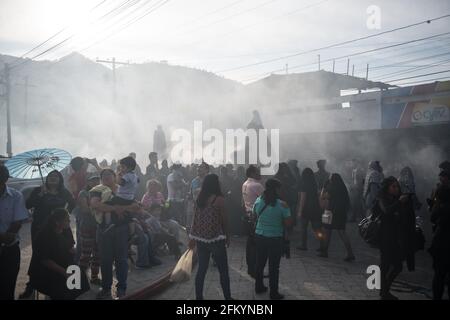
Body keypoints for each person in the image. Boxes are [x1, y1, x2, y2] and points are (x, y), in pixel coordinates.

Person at [19, 169, 75, 299]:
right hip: (40, 229)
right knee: (39, 256)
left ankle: (60, 284)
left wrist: (65, 214)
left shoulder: (63, 192)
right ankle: (32, 285)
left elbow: (72, 203)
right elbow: (27, 205)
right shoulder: (39, 190)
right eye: (50, 176)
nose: (53, 178)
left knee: (61, 254)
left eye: (56, 176)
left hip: (60, 228)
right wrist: (40, 194)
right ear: (47, 178)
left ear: (60, 179)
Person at [90, 169, 141, 299]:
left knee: (121, 260)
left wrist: (121, 208)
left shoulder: (124, 190)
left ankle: (122, 288)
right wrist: (115, 208)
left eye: (109, 175)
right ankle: (106, 288)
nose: (106, 177)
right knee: (105, 261)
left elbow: (136, 207)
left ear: (115, 177)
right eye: (104, 175)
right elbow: (96, 205)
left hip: (121, 229)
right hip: (104, 230)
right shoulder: (97, 190)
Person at [188, 174, 233, 300]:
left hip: (201, 239)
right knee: (223, 270)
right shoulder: (219, 199)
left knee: (201, 269)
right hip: (216, 238)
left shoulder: (199, 198)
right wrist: (228, 236)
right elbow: (225, 220)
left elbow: (194, 219)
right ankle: (228, 298)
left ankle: (198, 297)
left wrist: (192, 237)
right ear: (215, 184)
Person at [29, 208, 89, 300]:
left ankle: (72, 296)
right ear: (57, 222)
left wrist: (75, 250)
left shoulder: (66, 230)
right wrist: (64, 272)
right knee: (62, 284)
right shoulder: (45, 235)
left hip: (62, 263)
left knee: (79, 275)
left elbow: (70, 246)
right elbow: (45, 260)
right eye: (67, 220)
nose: (69, 221)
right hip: (46, 269)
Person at [372, 177, 415, 300]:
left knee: (398, 266)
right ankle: (384, 292)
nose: (396, 189)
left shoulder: (398, 198)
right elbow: (387, 211)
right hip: (384, 236)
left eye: (397, 186)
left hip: (396, 237)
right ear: (387, 188)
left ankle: (385, 290)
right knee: (385, 265)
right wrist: (399, 202)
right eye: (393, 186)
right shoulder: (382, 198)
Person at [253, 178, 292, 300]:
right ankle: (273, 293)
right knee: (274, 267)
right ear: (276, 189)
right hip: (275, 238)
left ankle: (259, 287)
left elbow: (254, 217)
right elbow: (288, 223)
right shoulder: (282, 205)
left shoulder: (258, 201)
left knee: (260, 263)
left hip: (260, 236)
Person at [0, 165, 29, 300]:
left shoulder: (16, 196)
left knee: (8, 286)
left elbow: (17, 222)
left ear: (5, 179)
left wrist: (6, 238)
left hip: (10, 249)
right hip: (6, 241)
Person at [319, 174, 355, 261]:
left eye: (330, 179)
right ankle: (350, 253)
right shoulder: (342, 188)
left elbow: (322, 196)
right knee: (342, 233)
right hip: (341, 213)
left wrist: (324, 186)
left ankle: (324, 252)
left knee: (326, 231)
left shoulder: (332, 188)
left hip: (330, 211)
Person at [76, 175, 101, 285]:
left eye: (97, 180)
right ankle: (78, 280)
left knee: (97, 254)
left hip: (98, 227)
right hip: (87, 226)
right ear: (88, 181)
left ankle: (94, 277)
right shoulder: (83, 193)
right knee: (85, 254)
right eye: (93, 180)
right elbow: (85, 209)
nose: (95, 182)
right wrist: (101, 208)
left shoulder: (101, 192)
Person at [242, 165, 265, 278]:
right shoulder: (257, 185)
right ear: (252, 173)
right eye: (257, 172)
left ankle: (251, 268)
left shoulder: (245, 183)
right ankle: (256, 270)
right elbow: (267, 199)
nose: (260, 174)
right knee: (257, 245)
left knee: (250, 244)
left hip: (248, 216)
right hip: (256, 218)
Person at [429, 184, 450, 300]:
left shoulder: (441, 208)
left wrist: (434, 205)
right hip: (443, 243)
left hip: (441, 243)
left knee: (439, 275)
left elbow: (432, 218)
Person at [297, 168, 324, 251]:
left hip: (306, 209)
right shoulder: (315, 184)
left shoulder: (303, 184)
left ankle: (303, 245)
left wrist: (300, 211)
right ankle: (322, 244)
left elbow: (303, 199)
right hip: (315, 208)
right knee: (317, 228)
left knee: (303, 228)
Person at [187, 162, 210, 231]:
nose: (198, 169)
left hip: (207, 208)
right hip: (195, 207)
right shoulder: (194, 181)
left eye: (201, 167)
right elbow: (191, 193)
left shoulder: (210, 181)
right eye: (198, 167)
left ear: (207, 170)